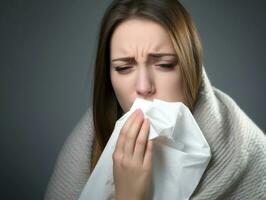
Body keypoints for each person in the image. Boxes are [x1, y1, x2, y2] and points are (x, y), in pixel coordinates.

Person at [44, 0, 266, 199]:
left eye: (164, 65)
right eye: (123, 68)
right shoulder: (86, 145)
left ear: (192, 67)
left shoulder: (249, 156)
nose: (143, 87)